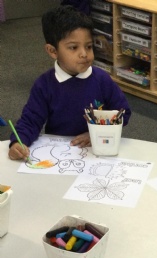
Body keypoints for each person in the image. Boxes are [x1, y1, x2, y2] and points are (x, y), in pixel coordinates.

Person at [8, 5, 131, 161]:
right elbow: (30, 121)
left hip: (98, 151)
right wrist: (17, 143)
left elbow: (123, 112)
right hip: (59, 154)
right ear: (53, 51)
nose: (84, 54)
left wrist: (96, 134)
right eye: (73, 48)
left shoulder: (102, 80)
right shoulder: (44, 85)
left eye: (89, 46)